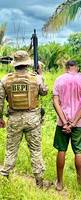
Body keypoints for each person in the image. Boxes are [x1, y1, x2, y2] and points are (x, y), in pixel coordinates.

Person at [0, 50, 48, 187]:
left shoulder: (5, 79)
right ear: (27, 63)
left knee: (11, 149)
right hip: (32, 118)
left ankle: (4, 177)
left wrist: (0, 118)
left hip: (14, 118)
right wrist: (41, 76)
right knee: (36, 150)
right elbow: (44, 92)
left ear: (14, 64)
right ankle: (39, 182)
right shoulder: (36, 78)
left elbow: (0, 101)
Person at [53, 60, 81, 191]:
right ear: (77, 67)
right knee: (78, 152)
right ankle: (79, 184)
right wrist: (74, 123)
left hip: (61, 123)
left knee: (61, 150)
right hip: (78, 123)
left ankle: (59, 183)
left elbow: (55, 102)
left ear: (66, 68)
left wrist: (64, 122)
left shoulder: (59, 79)